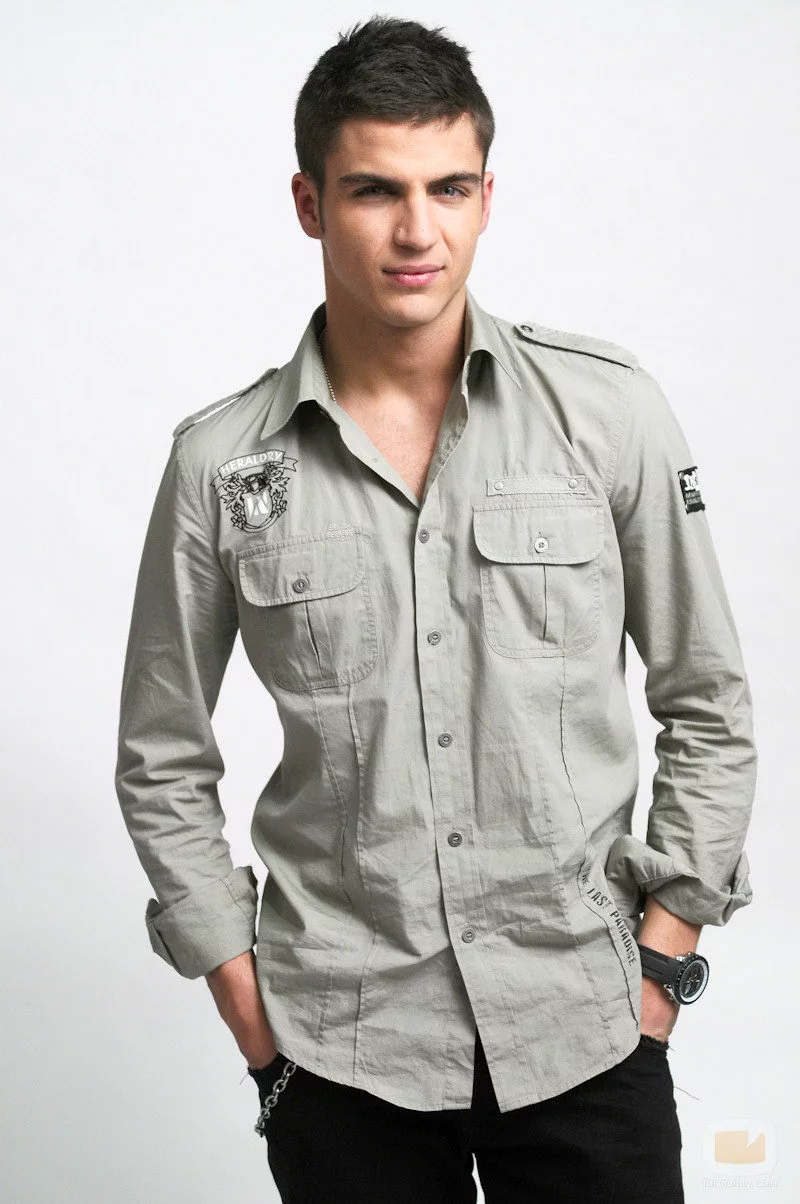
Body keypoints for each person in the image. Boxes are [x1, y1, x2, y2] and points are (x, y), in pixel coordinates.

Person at [114, 15, 757, 1203]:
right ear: (309, 203)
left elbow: (707, 703)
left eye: (447, 187)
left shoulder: (606, 416)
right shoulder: (220, 466)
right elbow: (160, 755)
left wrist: (661, 968)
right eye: (374, 190)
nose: (418, 230)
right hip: (340, 1050)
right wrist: (251, 1015)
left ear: (484, 196)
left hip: (587, 1032)